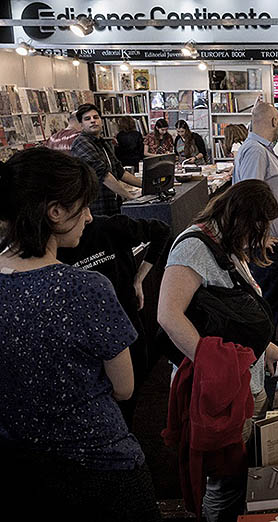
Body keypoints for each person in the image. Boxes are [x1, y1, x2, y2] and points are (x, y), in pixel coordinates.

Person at [0, 148, 161, 521]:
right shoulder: (84, 288)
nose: (89, 216)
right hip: (97, 461)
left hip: (19, 467)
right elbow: (124, 387)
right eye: (83, 206)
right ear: (55, 212)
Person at [158, 180, 278, 521]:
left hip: (241, 384)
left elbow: (232, 316)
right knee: (223, 481)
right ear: (244, 220)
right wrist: (215, 367)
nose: (264, 236)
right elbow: (168, 315)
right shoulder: (194, 248)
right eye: (261, 227)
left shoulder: (225, 242)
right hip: (220, 391)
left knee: (238, 473)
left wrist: (266, 347)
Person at [57, 214, 171, 430]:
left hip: (129, 330)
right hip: (88, 344)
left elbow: (161, 231)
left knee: (129, 396)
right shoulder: (54, 249)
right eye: (81, 207)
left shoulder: (111, 227)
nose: (88, 216)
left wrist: (139, 279)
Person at [232, 100, 278, 332]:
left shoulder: (261, 149)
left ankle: (268, 343)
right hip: (267, 245)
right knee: (268, 303)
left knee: (274, 301)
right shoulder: (255, 151)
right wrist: (261, 236)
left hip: (273, 241)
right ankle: (265, 347)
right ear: (274, 121)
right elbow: (250, 198)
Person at [71, 103, 141, 216]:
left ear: (101, 121)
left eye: (96, 117)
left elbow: (120, 171)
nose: (93, 121)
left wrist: (145, 186)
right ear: (81, 125)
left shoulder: (103, 143)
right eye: (87, 119)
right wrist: (129, 196)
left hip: (112, 204)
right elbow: (103, 175)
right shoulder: (81, 143)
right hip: (97, 208)